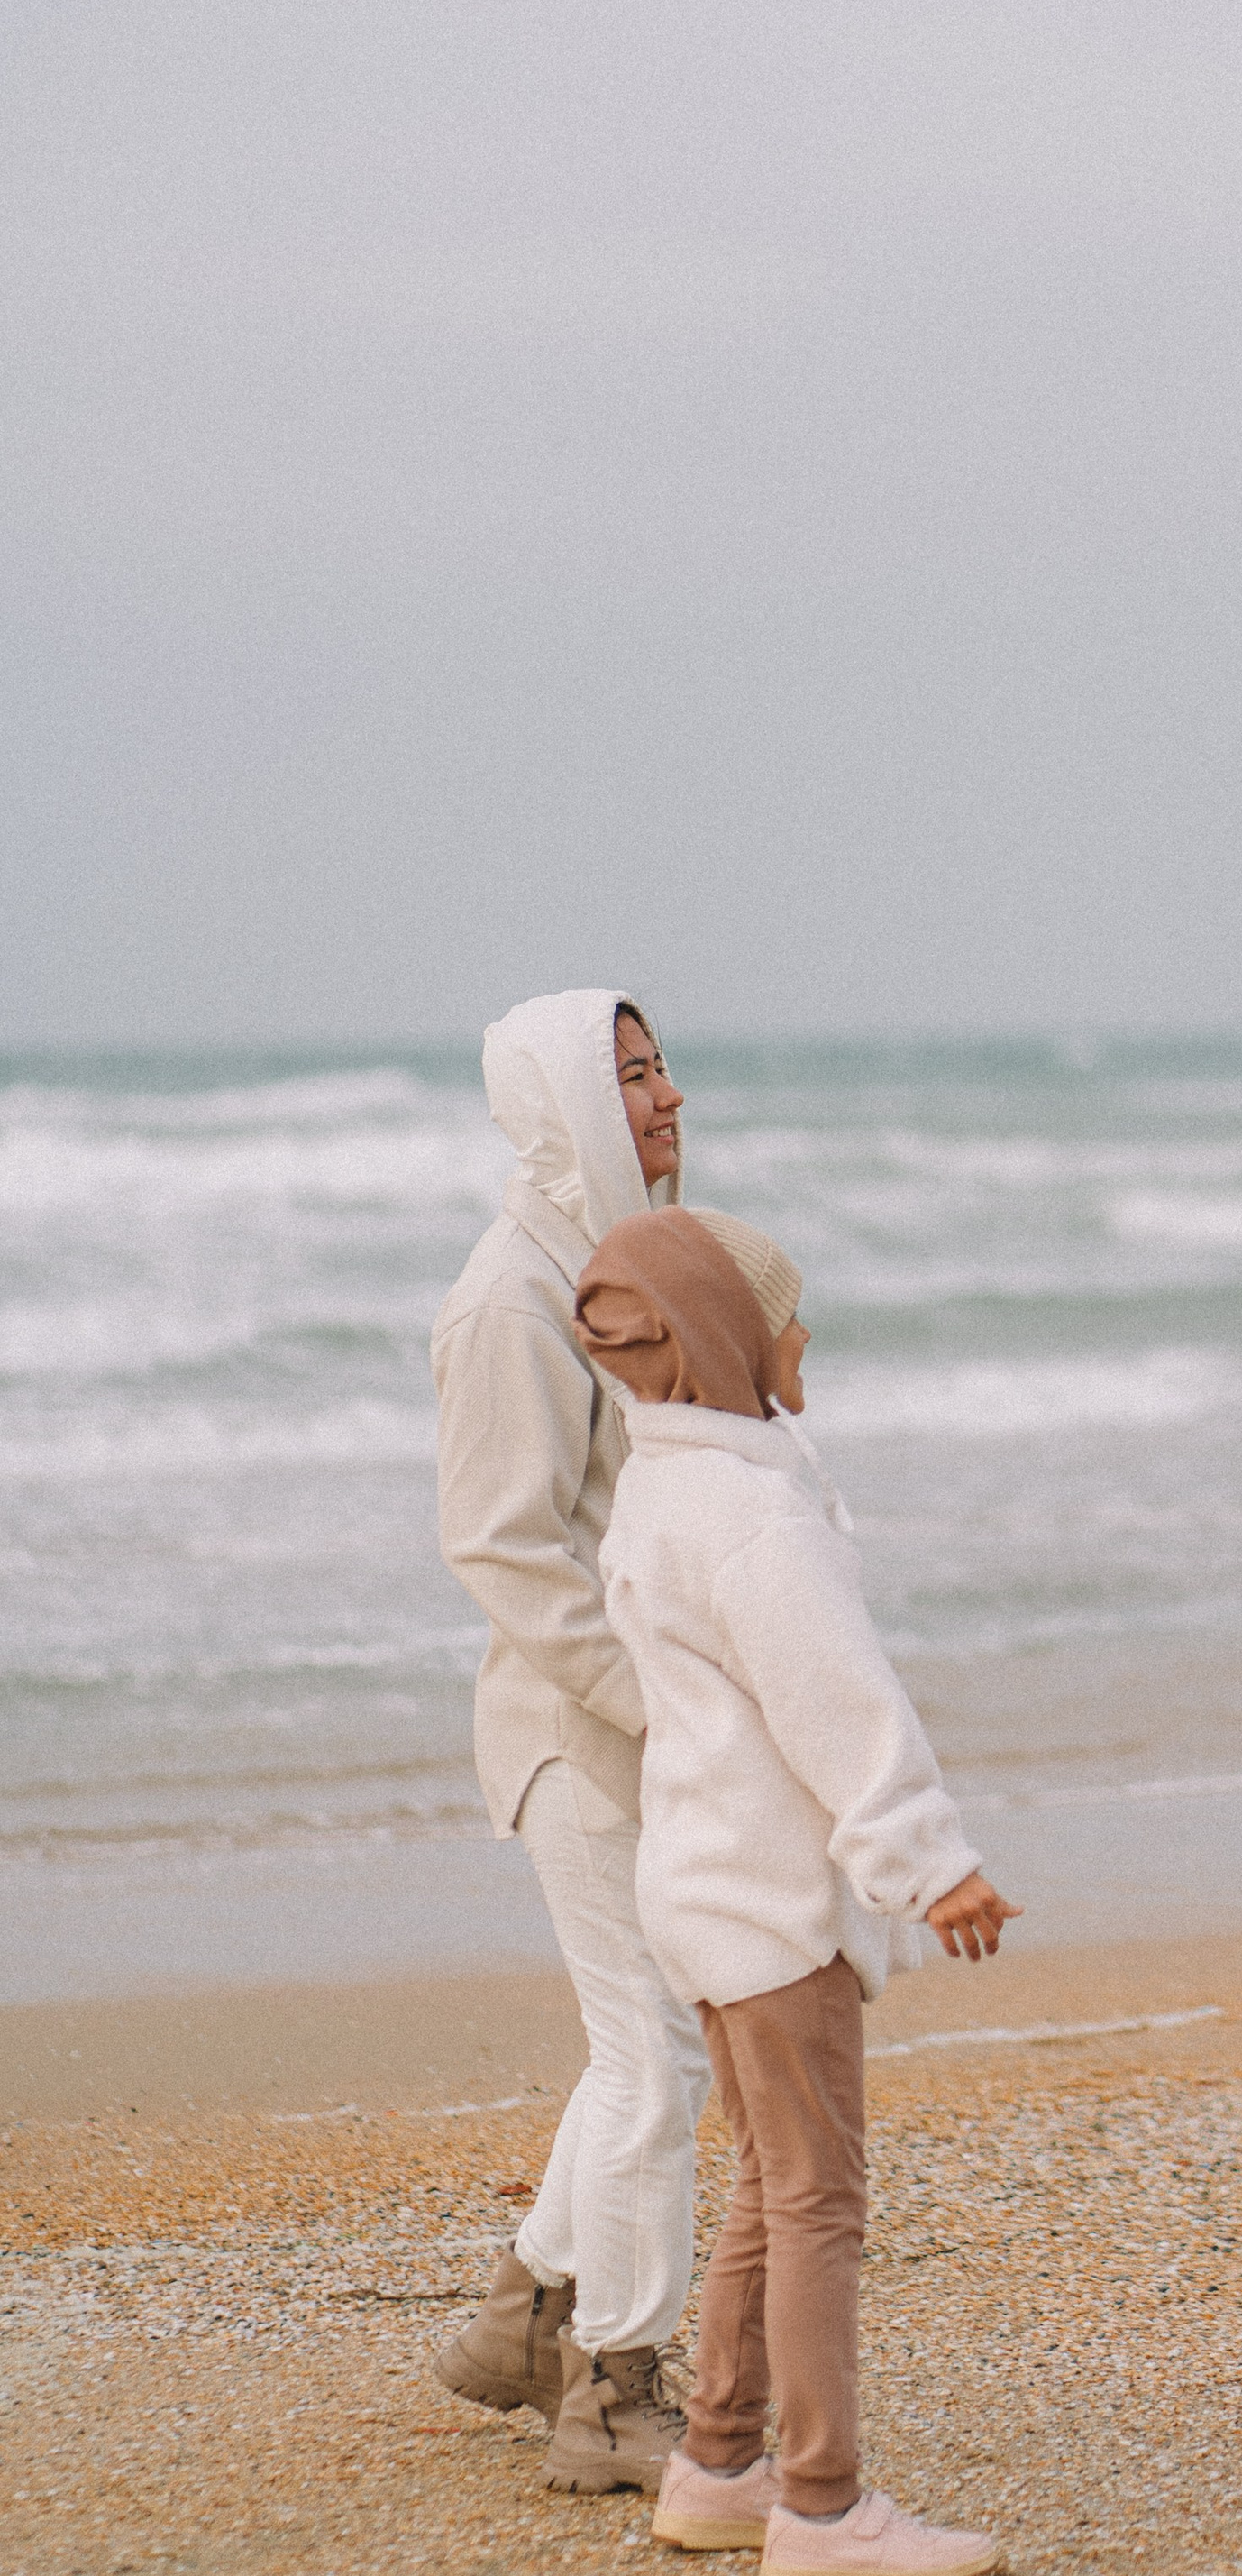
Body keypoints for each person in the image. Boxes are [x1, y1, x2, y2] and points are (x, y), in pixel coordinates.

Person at [572, 1205, 1014, 2576]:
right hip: (766, 1905)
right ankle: (821, 2511)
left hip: (700, 1887)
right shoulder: (753, 1511)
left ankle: (718, 2464)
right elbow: (836, 1702)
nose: (805, 1333)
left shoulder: (664, 1485)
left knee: (769, 2186)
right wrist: (927, 1860)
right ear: (726, 1338)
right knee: (820, 2198)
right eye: (786, 1314)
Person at [427, 990, 717, 2496]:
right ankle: (613, 2394)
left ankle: (518, 2319)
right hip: (574, 1729)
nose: (663, 1097)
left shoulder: (618, 1254)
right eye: (625, 1078)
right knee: (655, 2064)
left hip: (649, 1718)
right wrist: (659, 1709)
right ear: (556, 1106)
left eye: (660, 1066)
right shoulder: (511, 1296)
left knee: (650, 2053)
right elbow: (501, 1545)